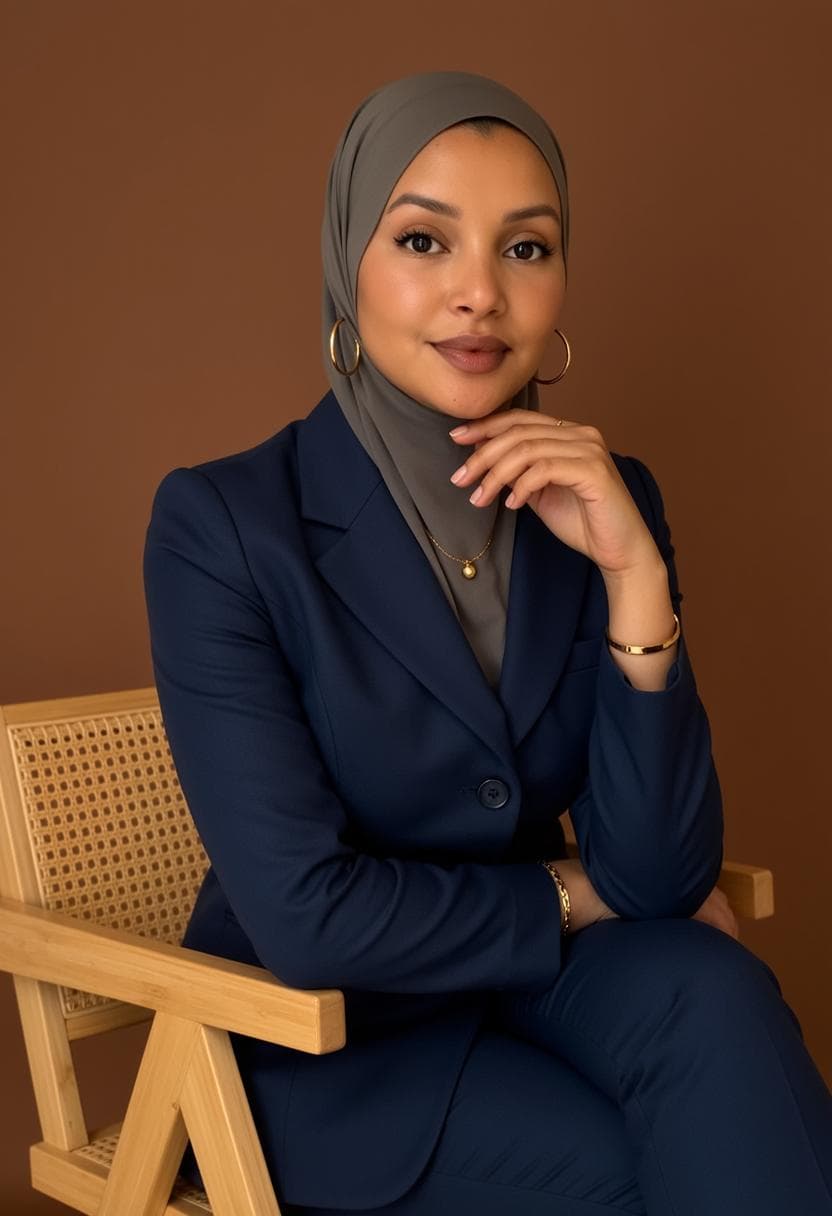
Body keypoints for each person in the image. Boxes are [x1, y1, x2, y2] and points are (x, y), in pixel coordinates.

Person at [143, 70, 832, 1216]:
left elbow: (657, 875)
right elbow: (309, 917)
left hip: (551, 990)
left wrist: (634, 576)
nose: (479, 294)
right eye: (424, 240)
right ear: (345, 265)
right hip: (342, 1046)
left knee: (722, 1004)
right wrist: (575, 892)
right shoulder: (224, 524)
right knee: (649, 1171)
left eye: (525, 248)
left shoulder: (608, 497)